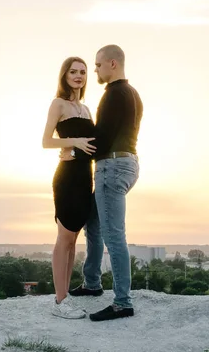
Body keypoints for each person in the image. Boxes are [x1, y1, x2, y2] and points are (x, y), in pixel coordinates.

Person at [63, 44, 143, 321]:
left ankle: (122, 302)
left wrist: (72, 151)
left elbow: (101, 139)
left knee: (113, 236)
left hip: (112, 167)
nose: (94, 70)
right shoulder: (132, 93)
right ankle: (93, 283)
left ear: (112, 63)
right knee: (94, 226)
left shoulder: (112, 95)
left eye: (97, 65)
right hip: (129, 164)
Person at [42, 56, 97, 319]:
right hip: (66, 177)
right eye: (73, 72)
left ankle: (65, 297)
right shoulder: (59, 104)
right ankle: (60, 301)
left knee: (74, 238)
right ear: (64, 76)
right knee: (63, 238)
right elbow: (45, 141)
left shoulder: (86, 110)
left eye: (83, 72)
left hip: (85, 177)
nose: (78, 76)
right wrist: (73, 142)